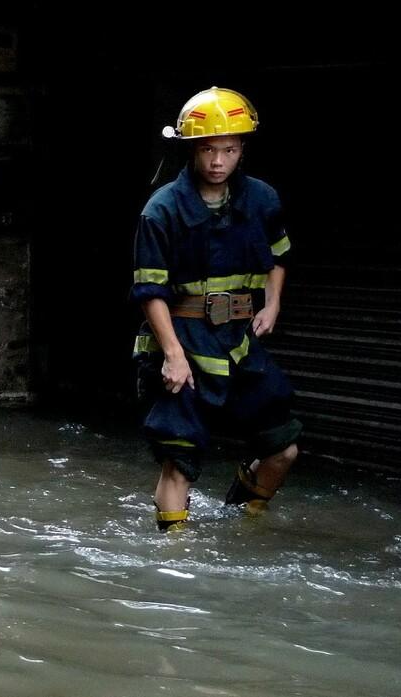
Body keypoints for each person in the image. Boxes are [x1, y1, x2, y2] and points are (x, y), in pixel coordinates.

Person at [132, 86, 301, 532]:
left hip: (238, 341)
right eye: (208, 149)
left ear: (242, 148)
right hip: (183, 340)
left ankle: (247, 520)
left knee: (284, 448)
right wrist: (171, 355)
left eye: (228, 149)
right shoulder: (162, 209)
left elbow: (279, 255)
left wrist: (273, 303)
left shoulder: (261, 199)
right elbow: (150, 290)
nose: (217, 161)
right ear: (192, 149)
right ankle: (175, 553)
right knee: (178, 458)